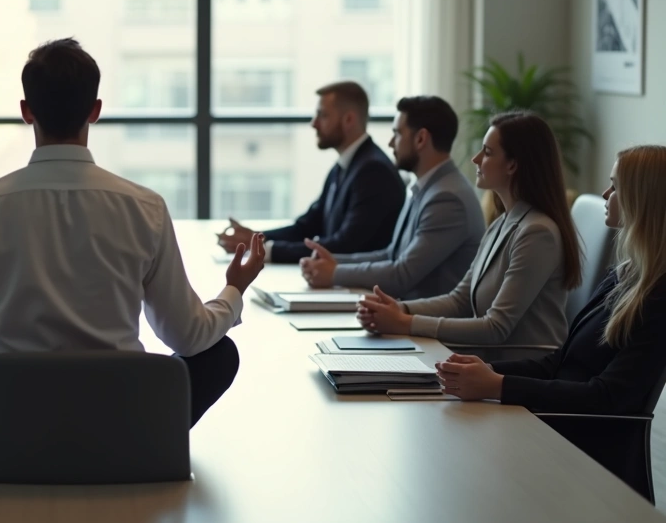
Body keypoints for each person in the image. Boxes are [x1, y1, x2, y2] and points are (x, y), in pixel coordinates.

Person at [0, 38, 266, 443]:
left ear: (25, 111)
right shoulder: (146, 207)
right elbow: (188, 336)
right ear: (96, 111)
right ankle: (135, 446)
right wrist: (234, 289)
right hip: (122, 419)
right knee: (219, 353)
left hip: (6, 420)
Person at [436, 145, 666, 412]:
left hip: (583, 440)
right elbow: (561, 362)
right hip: (555, 416)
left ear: (641, 199)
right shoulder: (623, 275)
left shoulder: (658, 298)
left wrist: (498, 385)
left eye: (614, 187)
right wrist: (487, 370)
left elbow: (607, 397)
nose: (605, 193)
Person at [355, 111, 580, 349]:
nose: (476, 158)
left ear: (513, 164)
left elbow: (496, 328)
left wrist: (406, 323)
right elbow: (459, 301)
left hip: (518, 376)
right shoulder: (502, 222)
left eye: (488, 152)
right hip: (484, 364)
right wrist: (399, 309)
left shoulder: (537, 233)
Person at [299, 95, 485, 300]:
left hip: (428, 328)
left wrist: (334, 274)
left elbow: (401, 275)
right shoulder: (426, 187)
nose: (390, 143)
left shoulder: (448, 199)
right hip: (405, 318)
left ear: (421, 139)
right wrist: (334, 261)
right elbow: (391, 254)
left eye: (397, 134)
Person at [217, 81, 405, 263]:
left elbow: (345, 245)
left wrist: (266, 250)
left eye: (322, 115)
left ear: (349, 119)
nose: (313, 124)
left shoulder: (373, 171)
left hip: (364, 290)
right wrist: (257, 239)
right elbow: (308, 226)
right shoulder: (345, 166)